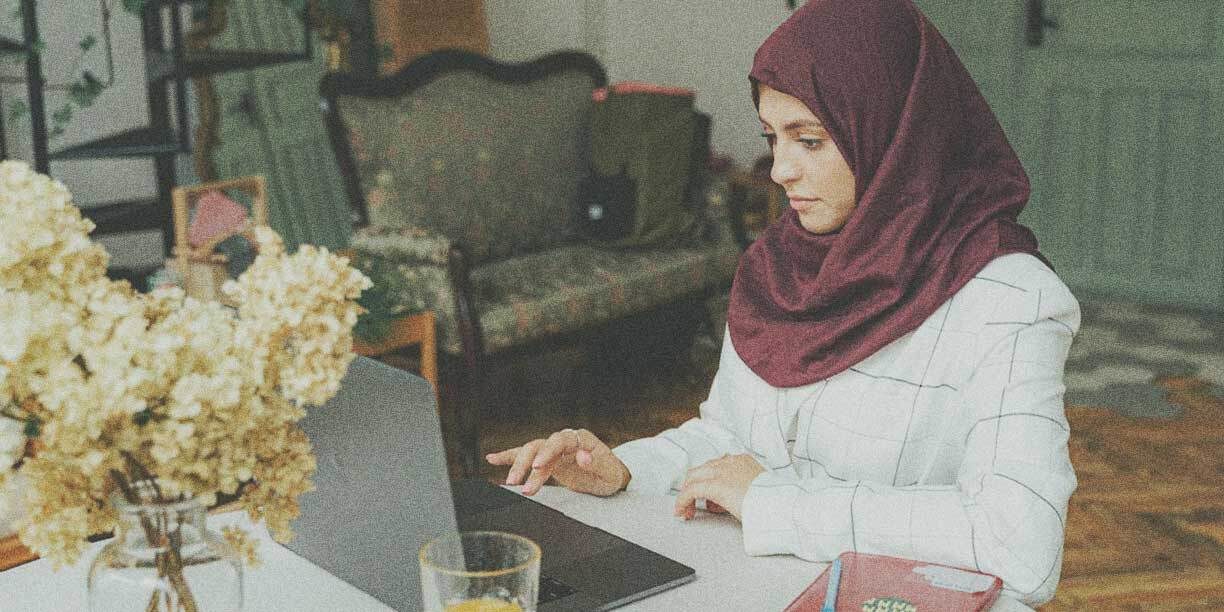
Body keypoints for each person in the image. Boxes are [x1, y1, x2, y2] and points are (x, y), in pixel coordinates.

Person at [486, 0, 1079, 606]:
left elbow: (1021, 543)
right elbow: (733, 441)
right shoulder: (779, 267)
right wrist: (625, 471)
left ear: (895, 135)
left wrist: (775, 503)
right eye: (773, 138)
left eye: (811, 140)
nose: (780, 170)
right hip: (750, 584)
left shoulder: (1009, 298)